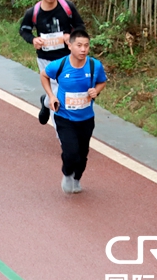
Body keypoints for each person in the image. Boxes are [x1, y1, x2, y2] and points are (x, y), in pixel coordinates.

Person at [39, 29, 107, 194]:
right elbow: (44, 75)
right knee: (71, 152)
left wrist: (95, 91)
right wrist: (51, 95)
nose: (83, 49)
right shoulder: (60, 64)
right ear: (70, 46)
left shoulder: (94, 65)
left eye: (86, 46)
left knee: (83, 154)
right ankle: (67, 174)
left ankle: (76, 178)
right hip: (64, 117)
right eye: (79, 45)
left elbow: (102, 82)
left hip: (86, 118)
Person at [19, 0, 85, 125]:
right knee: (57, 94)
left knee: (66, 90)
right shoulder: (33, 12)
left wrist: (71, 36)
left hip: (68, 58)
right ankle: (61, 132)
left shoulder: (67, 7)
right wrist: (33, 40)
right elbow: (24, 30)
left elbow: (80, 26)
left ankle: (46, 101)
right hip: (45, 59)